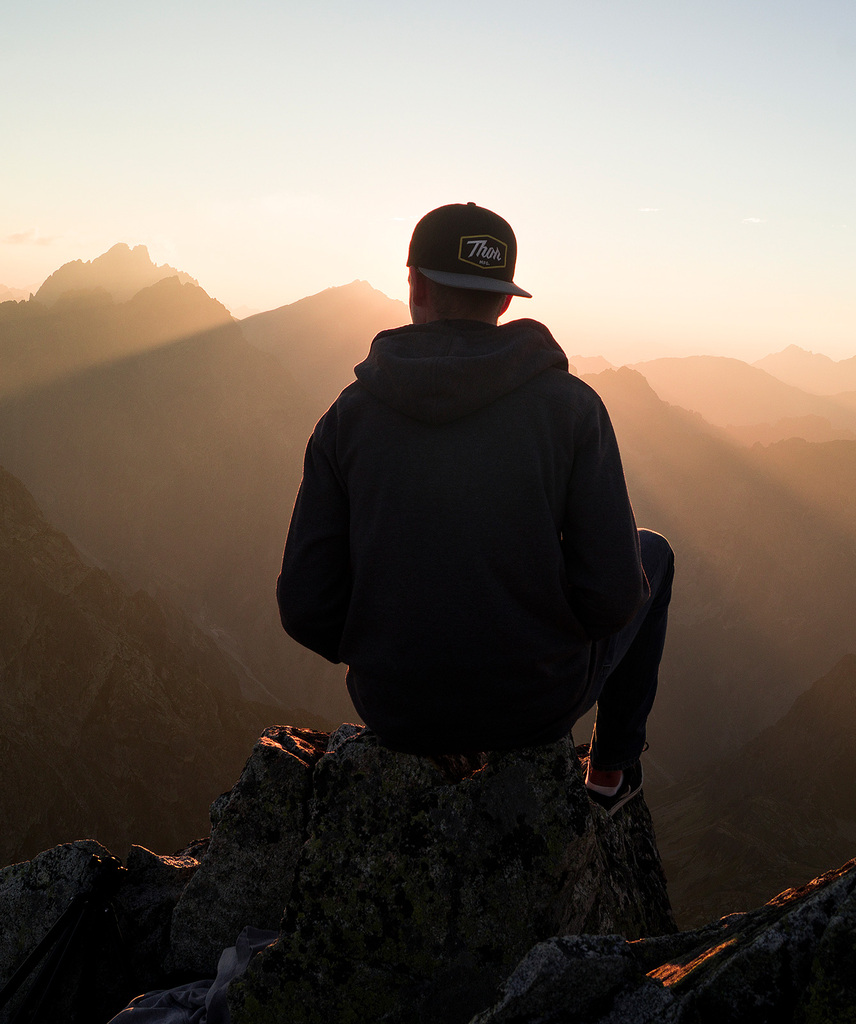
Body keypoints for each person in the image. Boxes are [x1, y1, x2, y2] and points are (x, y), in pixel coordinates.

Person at [276, 202, 673, 812]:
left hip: (395, 708)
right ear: (506, 301)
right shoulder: (572, 410)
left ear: (414, 285)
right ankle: (608, 775)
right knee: (653, 553)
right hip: (535, 705)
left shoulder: (346, 418)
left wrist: (391, 649)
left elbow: (306, 606)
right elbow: (615, 597)